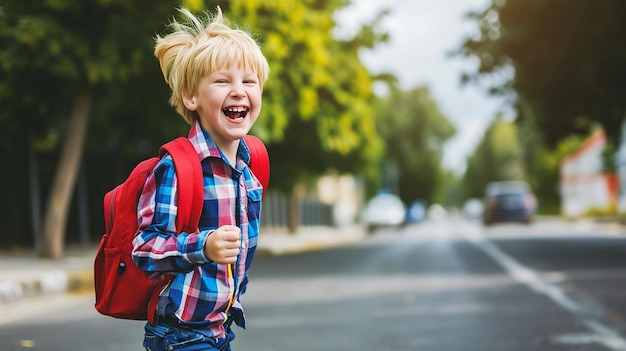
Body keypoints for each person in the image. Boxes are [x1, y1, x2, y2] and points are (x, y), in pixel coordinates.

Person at [131, 6, 270, 351]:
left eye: (249, 81)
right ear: (191, 97)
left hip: (220, 330)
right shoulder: (178, 168)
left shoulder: (251, 168)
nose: (239, 90)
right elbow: (145, 248)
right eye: (223, 80)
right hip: (180, 336)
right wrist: (203, 246)